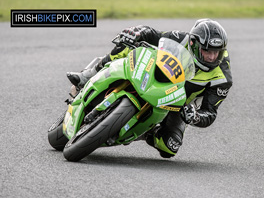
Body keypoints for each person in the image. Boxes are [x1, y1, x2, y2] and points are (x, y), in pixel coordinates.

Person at [67, 19, 232, 158]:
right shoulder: (181, 38)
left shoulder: (222, 78)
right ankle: (90, 73)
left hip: (178, 103)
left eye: (216, 52)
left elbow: (210, 113)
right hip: (156, 76)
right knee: (128, 43)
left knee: (170, 148)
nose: (211, 57)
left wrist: (194, 116)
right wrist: (137, 32)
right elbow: (154, 34)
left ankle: (148, 132)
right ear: (193, 43)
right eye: (207, 51)